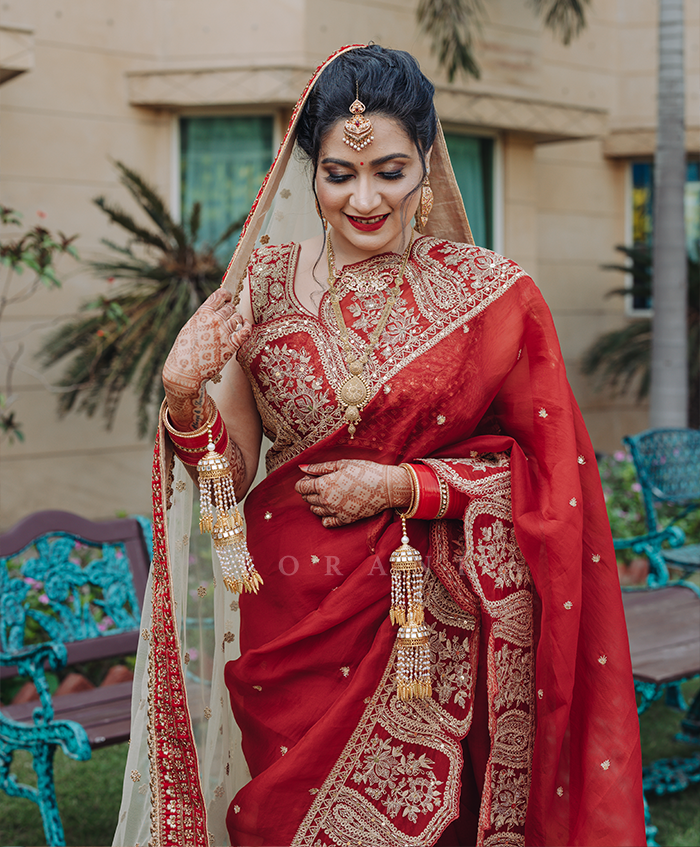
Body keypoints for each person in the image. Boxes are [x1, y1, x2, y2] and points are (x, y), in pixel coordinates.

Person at [114, 44, 645, 847]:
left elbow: (552, 476)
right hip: (290, 614)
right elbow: (230, 482)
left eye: (390, 171)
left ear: (426, 165)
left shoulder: (490, 294)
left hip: (431, 632)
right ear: (310, 173)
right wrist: (183, 396)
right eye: (339, 174)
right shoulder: (260, 289)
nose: (364, 198)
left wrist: (408, 489)